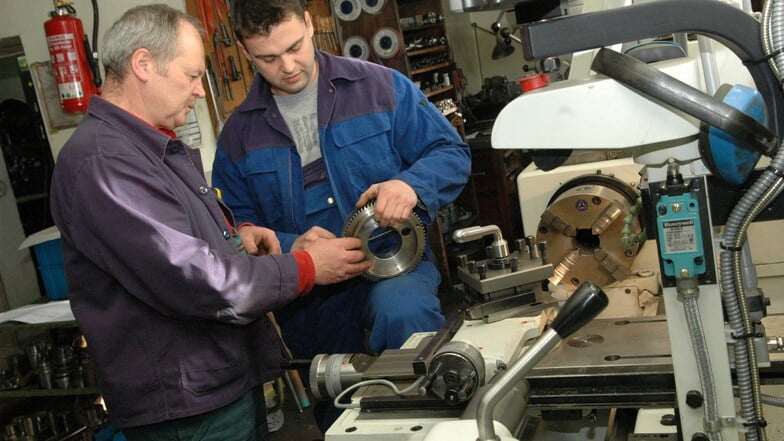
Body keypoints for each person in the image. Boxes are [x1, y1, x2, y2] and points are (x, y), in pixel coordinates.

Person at [49, 4, 371, 440]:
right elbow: (197, 280)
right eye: (192, 75)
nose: (201, 91)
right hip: (186, 409)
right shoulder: (104, 162)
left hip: (220, 383)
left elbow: (179, 252)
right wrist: (308, 266)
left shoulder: (147, 147)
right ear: (143, 64)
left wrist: (241, 243)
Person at [212, 0, 471, 424]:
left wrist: (411, 184)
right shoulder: (239, 136)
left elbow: (451, 152)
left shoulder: (382, 87)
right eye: (268, 58)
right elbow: (235, 228)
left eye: (295, 46)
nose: (289, 65)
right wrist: (297, 250)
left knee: (406, 323)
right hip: (311, 301)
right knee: (341, 414)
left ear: (310, 24)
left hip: (396, 270)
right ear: (244, 52)